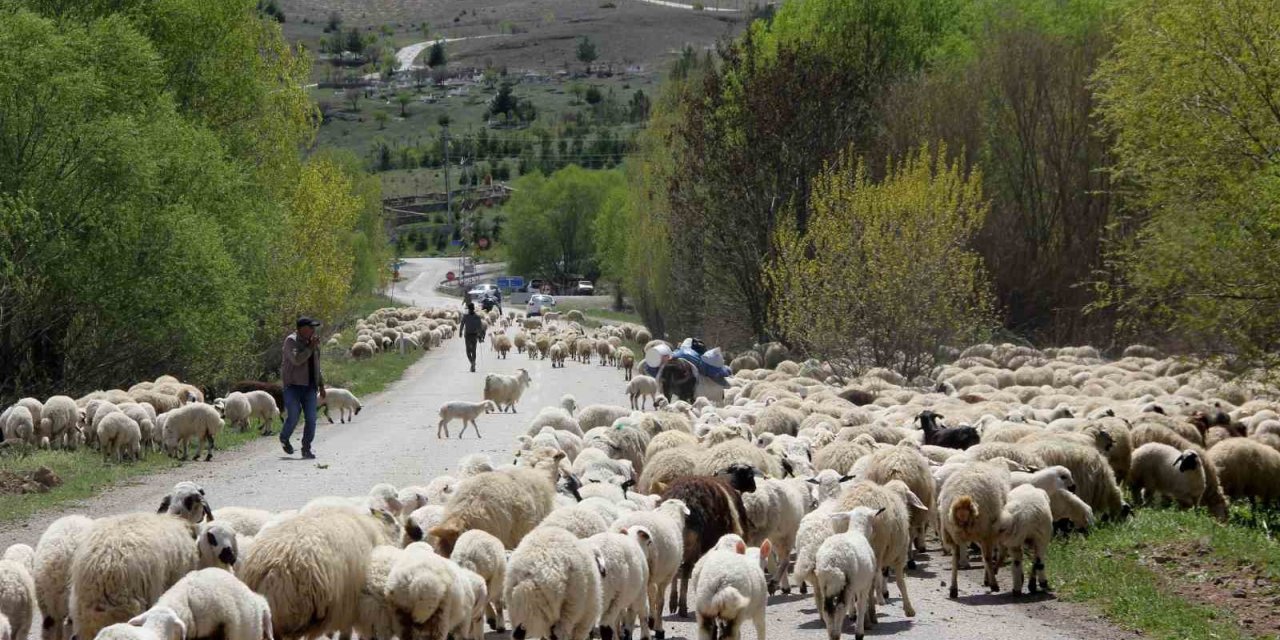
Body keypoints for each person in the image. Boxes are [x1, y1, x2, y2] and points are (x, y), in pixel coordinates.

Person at [280, 317, 325, 459]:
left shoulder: (313, 342)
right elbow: (297, 360)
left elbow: (317, 365)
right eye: (310, 327)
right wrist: (310, 347)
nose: (313, 330)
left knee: (311, 419)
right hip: (293, 386)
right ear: (301, 328)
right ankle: (284, 437)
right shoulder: (291, 341)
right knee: (293, 415)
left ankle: (306, 448)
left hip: (310, 386)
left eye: (314, 328)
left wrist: (321, 384)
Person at [461, 301, 486, 372]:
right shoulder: (476, 316)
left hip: (469, 335)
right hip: (473, 335)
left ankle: (472, 363)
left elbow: (462, 324)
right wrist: (481, 336)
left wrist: (460, 332)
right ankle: (473, 363)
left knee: (468, 351)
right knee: (473, 350)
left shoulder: (467, 316)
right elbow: (480, 327)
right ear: (473, 308)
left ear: (469, 309)